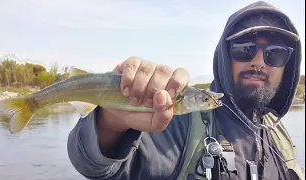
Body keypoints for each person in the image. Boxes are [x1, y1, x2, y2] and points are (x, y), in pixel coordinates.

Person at [67, 1, 305, 180]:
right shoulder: (176, 120)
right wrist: (111, 124)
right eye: (244, 49)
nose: (259, 62)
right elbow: (97, 167)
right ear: (224, 57)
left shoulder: (278, 132)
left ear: (288, 67)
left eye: (277, 53)